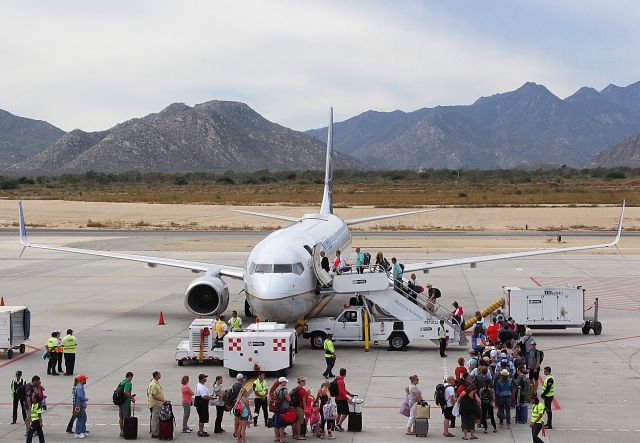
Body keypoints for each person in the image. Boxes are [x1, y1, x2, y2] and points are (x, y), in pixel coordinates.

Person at [147, 371, 165, 438]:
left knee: (157, 418)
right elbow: (153, 396)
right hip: (155, 404)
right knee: (155, 419)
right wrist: (162, 400)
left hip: (158, 404)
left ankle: (156, 431)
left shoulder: (156, 383)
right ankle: (154, 433)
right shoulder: (154, 384)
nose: (160, 375)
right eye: (159, 374)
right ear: (156, 375)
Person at [274, 377, 291, 443]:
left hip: (277, 408)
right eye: (285, 381)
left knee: (276, 423)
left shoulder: (276, 389)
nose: (286, 383)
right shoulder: (284, 390)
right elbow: (289, 399)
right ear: (282, 382)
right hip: (283, 408)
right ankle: (282, 439)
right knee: (282, 424)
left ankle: (277, 437)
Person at [118, 372, 136, 437]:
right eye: (132, 377)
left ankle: (121, 431)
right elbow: (125, 392)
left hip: (121, 402)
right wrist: (132, 398)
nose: (132, 379)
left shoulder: (122, 382)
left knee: (121, 418)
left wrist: (130, 396)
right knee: (126, 418)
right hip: (125, 404)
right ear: (130, 376)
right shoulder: (128, 383)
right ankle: (126, 431)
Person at [232, 374, 246, 439]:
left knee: (236, 420)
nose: (244, 379)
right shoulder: (238, 387)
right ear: (240, 379)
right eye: (243, 378)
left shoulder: (235, 385)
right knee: (238, 420)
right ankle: (237, 433)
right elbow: (240, 396)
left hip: (236, 404)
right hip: (238, 405)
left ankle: (236, 432)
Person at [74, 374, 89, 439]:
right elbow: (80, 396)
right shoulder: (80, 387)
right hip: (79, 405)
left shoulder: (80, 386)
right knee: (80, 418)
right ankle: (78, 433)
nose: (85, 380)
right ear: (81, 380)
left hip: (81, 405)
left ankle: (83, 431)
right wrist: (85, 399)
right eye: (84, 379)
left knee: (84, 418)